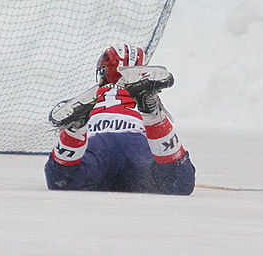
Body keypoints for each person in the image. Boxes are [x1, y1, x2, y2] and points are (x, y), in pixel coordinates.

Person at [45, 43, 196, 194]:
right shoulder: (136, 96)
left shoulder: (91, 98)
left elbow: (60, 128)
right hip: (137, 143)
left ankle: (75, 130)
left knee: (62, 180)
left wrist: (68, 132)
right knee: (178, 181)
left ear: (104, 70)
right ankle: (153, 114)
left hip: (99, 144)